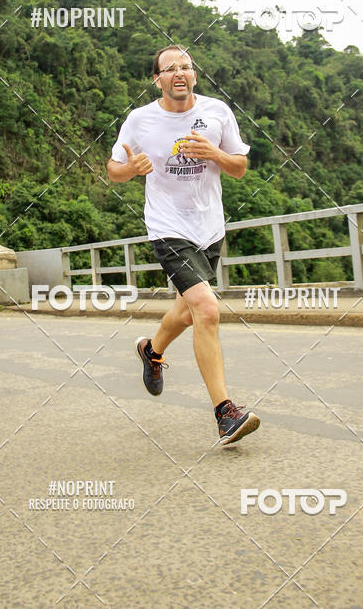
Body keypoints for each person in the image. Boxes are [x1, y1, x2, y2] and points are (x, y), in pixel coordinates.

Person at [107, 44, 260, 445]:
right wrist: (130, 170)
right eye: (169, 68)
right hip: (167, 227)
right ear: (156, 79)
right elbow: (113, 170)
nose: (179, 72)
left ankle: (151, 351)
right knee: (207, 309)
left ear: (194, 74)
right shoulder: (140, 121)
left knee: (187, 311)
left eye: (186, 66)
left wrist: (214, 153)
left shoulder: (217, 112)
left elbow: (241, 167)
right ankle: (225, 413)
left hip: (209, 227)